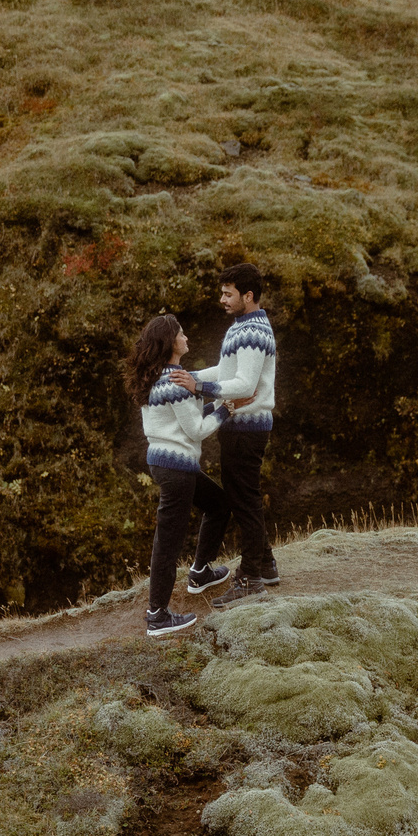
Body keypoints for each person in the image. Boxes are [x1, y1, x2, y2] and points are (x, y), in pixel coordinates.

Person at [166, 262, 279, 598]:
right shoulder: (242, 326)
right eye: (222, 292)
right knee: (244, 497)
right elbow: (227, 370)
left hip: (248, 426)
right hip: (238, 424)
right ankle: (267, 565)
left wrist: (199, 389)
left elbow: (244, 384)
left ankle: (251, 579)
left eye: (228, 294)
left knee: (244, 500)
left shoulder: (253, 331)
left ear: (248, 295)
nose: (222, 299)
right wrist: (193, 379)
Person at [127, 312, 230, 639]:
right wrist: (227, 408)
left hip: (165, 465)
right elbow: (197, 430)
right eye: (181, 334)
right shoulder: (175, 383)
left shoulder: (160, 377)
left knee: (218, 504)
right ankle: (157, 616)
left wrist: (237, 364)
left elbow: (205, 378)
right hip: (177, 470)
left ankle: (199, 572)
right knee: (167, 544)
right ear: (171, 342)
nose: (186, 337)